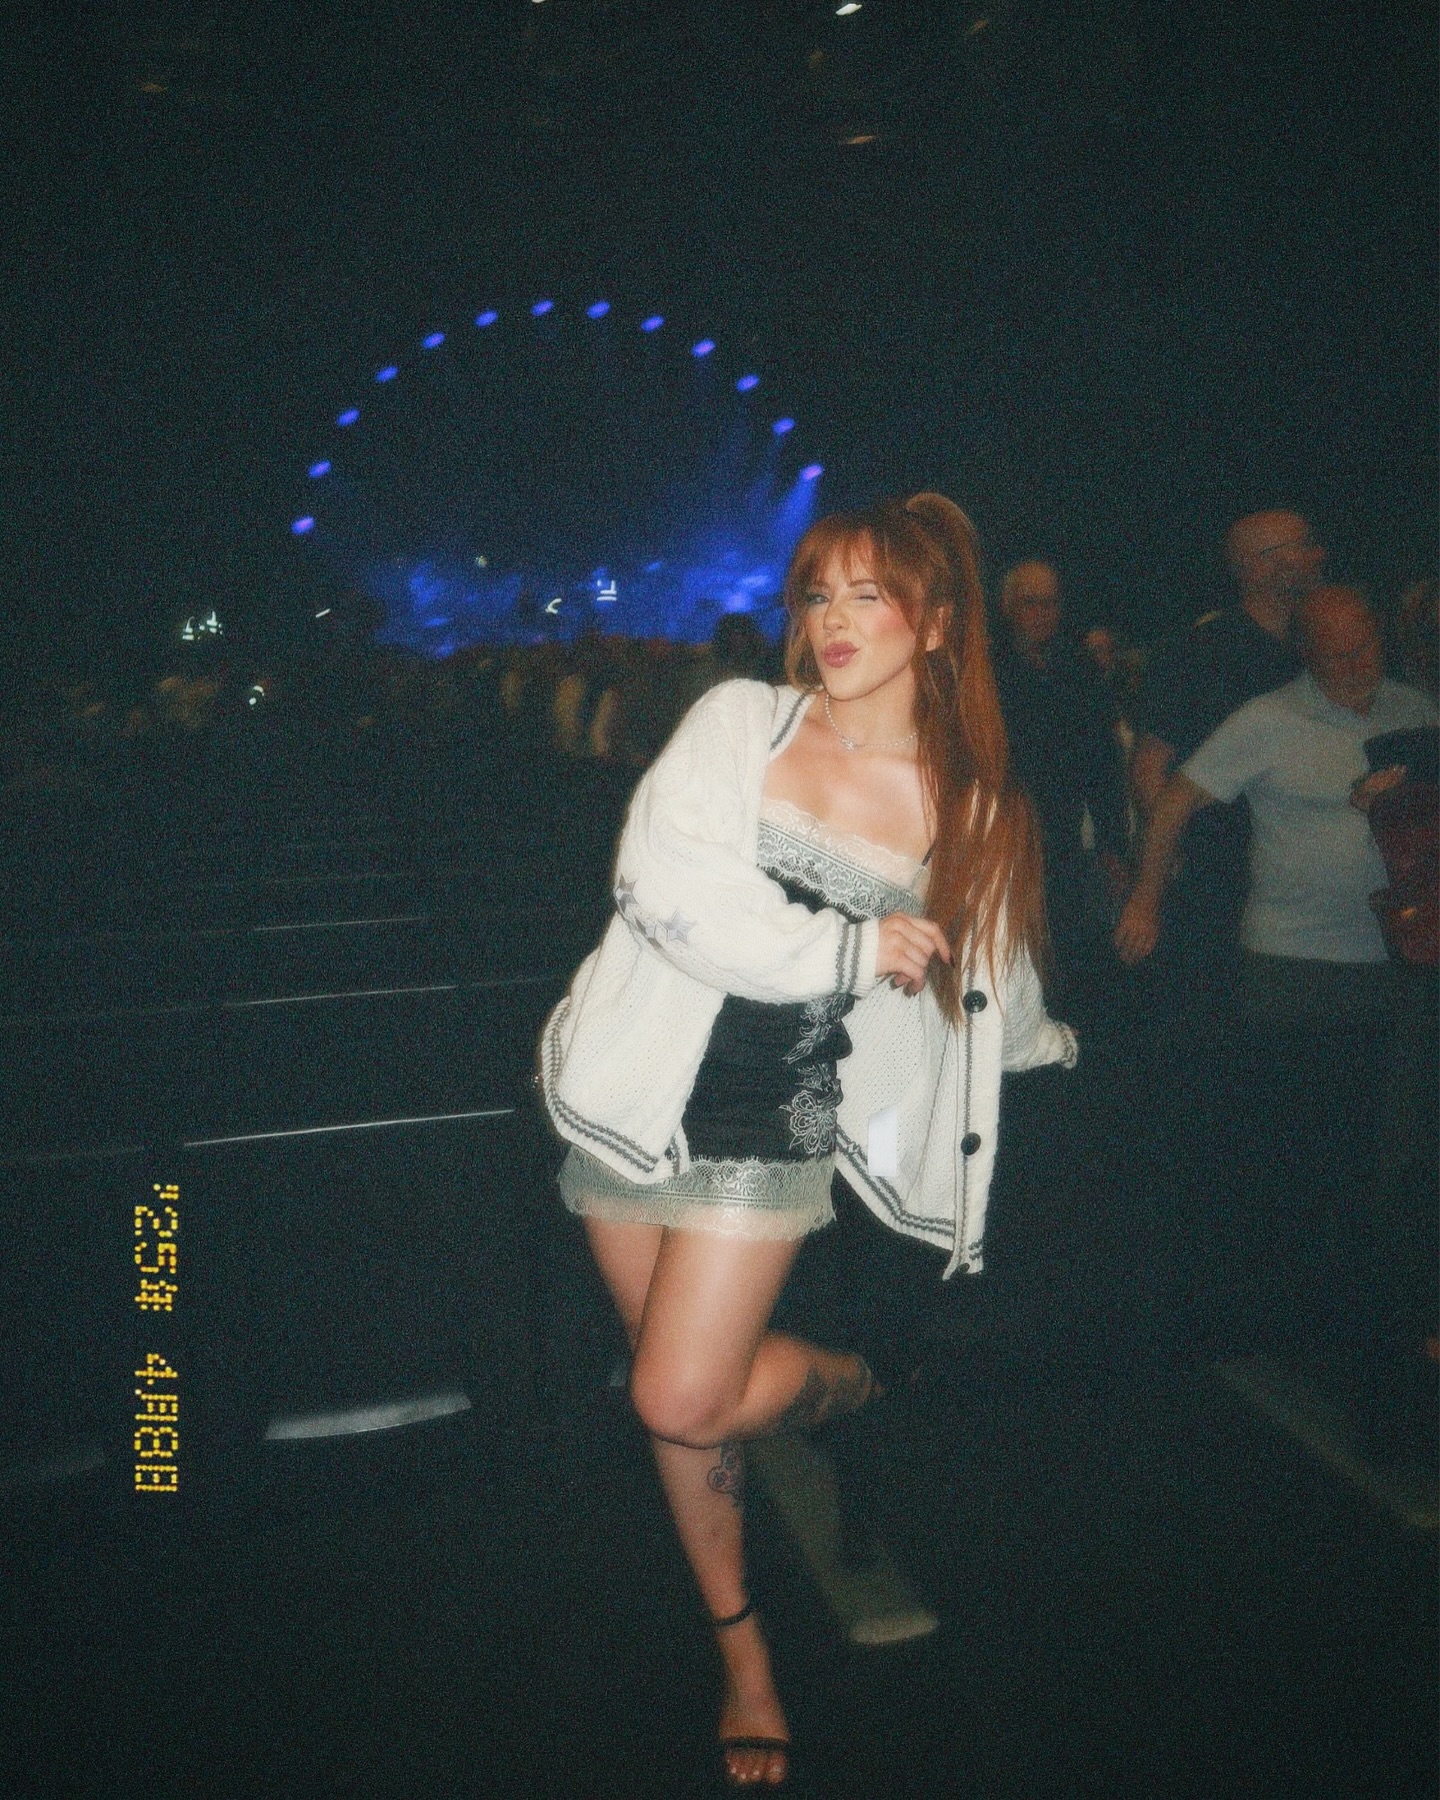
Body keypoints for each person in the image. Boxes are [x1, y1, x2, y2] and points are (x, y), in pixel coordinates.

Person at [540, 494, 1075, 1788]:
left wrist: (1044, 1055)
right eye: (818, 593)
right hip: (630, 1087)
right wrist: (846, 946)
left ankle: (853, 1379)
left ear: (936, 625)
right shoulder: (741, 721)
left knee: (679, 1392)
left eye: (869, 596)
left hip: (769, 1118)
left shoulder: (970, 804)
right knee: (688, 1415)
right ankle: (746, 1656)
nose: (833, 621)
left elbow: (994, 980)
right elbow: (661, 889)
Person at [1116, 588, 1437, 1351]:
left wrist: (1403, 798)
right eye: (1339, 653)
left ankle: (1369, 1301)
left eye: (1367, 645)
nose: (1358, 664)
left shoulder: (1416, 710)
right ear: (1307, 655)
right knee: (1291, 1130)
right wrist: (1146, 902)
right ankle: (1278, 1305)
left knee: (1390, 1138)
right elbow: (1174, 802)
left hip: (1399, 957)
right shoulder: (1268, 718)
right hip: (1293, 962)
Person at [1128, 509, 1323, 996]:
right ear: (1255, 567)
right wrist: (1168, 861)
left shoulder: (1322, 649)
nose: (1316, 556)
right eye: (1300, 546)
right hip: (1218, 881)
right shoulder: (1199, 653)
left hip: (1304, 887)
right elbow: (1151, 763)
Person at [992, 559, 1129, 1006]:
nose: (1042, 614)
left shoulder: (1077, 666)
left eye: (1050, 603)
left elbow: (1104, 762)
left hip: (1062, 838)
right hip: (1000, 837)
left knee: (1068, 956)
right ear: (1008, 606)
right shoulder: (986, 669)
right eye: (1030, 603)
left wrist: (1113, 843)